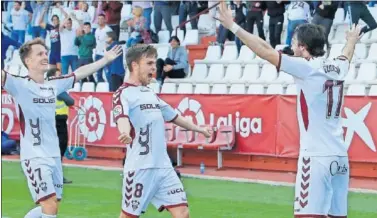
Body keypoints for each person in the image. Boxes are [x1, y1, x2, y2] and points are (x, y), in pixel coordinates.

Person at [215, 1, 362, 217]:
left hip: (316, 157)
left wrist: (233, 26)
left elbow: (265, 51)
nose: (291, 45)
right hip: (340, 158)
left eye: (294, 41)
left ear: (303, 47)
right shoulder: (338, 67)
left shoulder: (305, 67)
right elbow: (346, 55)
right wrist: (351, 40)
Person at [1, 38, 122, 218]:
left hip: (54, 156)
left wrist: (105, 60)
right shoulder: (18, 84)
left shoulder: (53, 84)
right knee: (49, 206)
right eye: (39, 54)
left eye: (45, 53)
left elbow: (79, 73)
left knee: (52, 206)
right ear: (28, 61)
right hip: (35, 157)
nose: (45, 56)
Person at [112, 44, 211, 218]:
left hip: (164, 167)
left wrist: (200, 129)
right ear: (134, 65)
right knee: (128, 216)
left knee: (182, 212)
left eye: (153, 63)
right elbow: (122, 118)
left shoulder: (150, 94)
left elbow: (174, 116)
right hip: (140, 168)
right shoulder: (123, 94)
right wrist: (125, 132)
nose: (153, 68)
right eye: (149, 63)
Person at [46, 68, 75, 184]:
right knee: (60, 149)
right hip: (59, 122)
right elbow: (70, 101)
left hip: (53, 120)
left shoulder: (47, 87)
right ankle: (56, 176)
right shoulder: (57, 89)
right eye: (58, 75)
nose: (61, 77)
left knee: (54, 150)